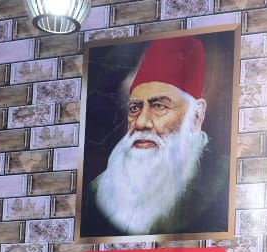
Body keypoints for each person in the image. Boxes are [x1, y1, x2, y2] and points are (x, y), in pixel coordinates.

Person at [80, 35, 229, 238]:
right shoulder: (98, 190)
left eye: (159, 106)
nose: (141, 122)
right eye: (135, 107)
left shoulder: (223, 179)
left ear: (196, 116)